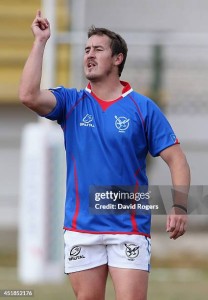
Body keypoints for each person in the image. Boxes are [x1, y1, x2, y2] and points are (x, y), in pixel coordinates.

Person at [19, 10, 190, 300]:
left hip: (128, 226)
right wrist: (40, 42)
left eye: (98, 49)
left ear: (117, 58)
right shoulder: (71, 102)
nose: (89, 54)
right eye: (86, 49)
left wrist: (180, 207)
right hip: (81, 227)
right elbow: (28, 96)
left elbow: (177, 160)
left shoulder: (142, 108)